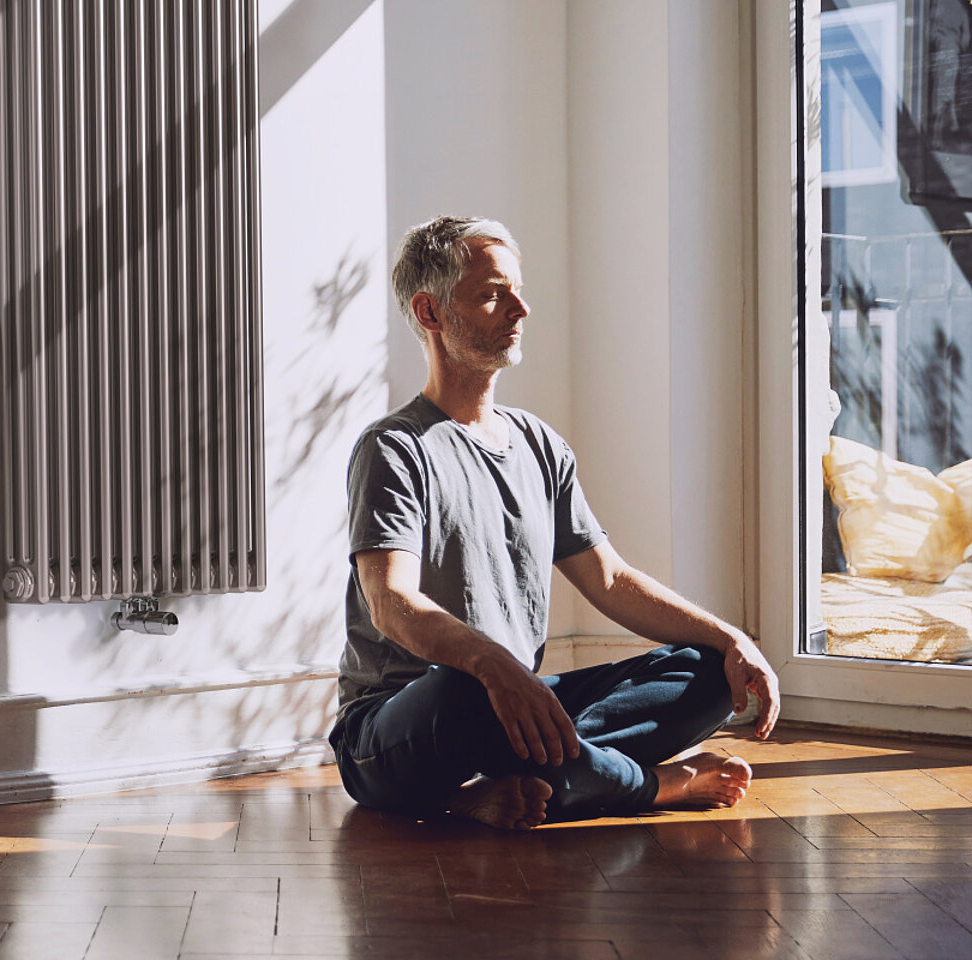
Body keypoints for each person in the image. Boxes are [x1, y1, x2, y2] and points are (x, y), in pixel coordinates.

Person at [331, 216, 781, 830]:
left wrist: (731, 640)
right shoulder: (395, 448)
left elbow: (610, 580)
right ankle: (647, 786)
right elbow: (391, 602)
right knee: (467, 688)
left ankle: (514, 784)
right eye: (493, 294)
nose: (520, 309)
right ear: (430, 312)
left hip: (513, 701)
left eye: (517, 291)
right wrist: (490, 664)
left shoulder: (539, 445)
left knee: (706, 672)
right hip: (402, 723)